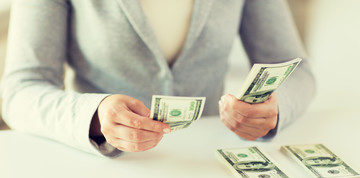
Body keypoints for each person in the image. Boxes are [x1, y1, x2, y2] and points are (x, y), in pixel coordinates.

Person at [0, 0, 315, 157]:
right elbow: (19, 90)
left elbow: (297, 70)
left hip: (207, 166)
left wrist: (274, 110)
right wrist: (92, 117)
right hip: (103, 170)